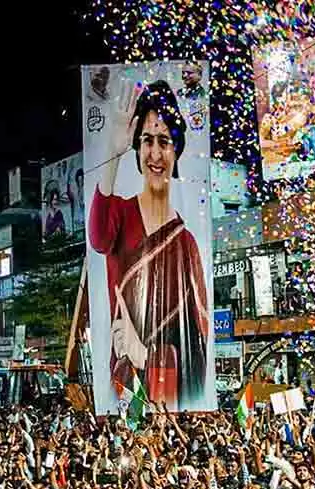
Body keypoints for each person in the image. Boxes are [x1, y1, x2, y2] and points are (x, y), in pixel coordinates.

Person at [89, 78, 209, 411]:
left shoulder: (187, 245)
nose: (155, 153)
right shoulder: (120, 213)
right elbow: (98, 238)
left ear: (177, 149)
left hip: (166, 397)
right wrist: (112, 154)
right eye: (147, 141)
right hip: (123, 387)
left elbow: (196, 353)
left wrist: (146, 355)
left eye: (164, 141)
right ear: (137, 148)